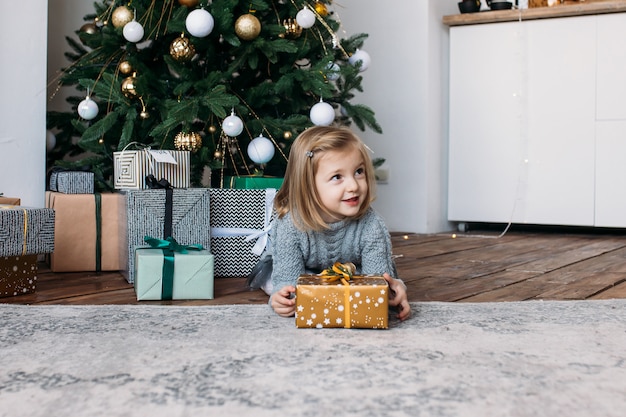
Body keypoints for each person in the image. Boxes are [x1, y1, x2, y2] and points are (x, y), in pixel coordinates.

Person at [262, 126, 410, 321]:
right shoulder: (290, 225)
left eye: (358, 172)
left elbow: (378, 280)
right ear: (308, 186)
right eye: (337, 177)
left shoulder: (371, 225)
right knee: (279, 285)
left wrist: (393, 290)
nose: (354, 186)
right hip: (301, 269)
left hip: (351, 271)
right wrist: (281, 298)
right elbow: (287, 280)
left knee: (372, 284)